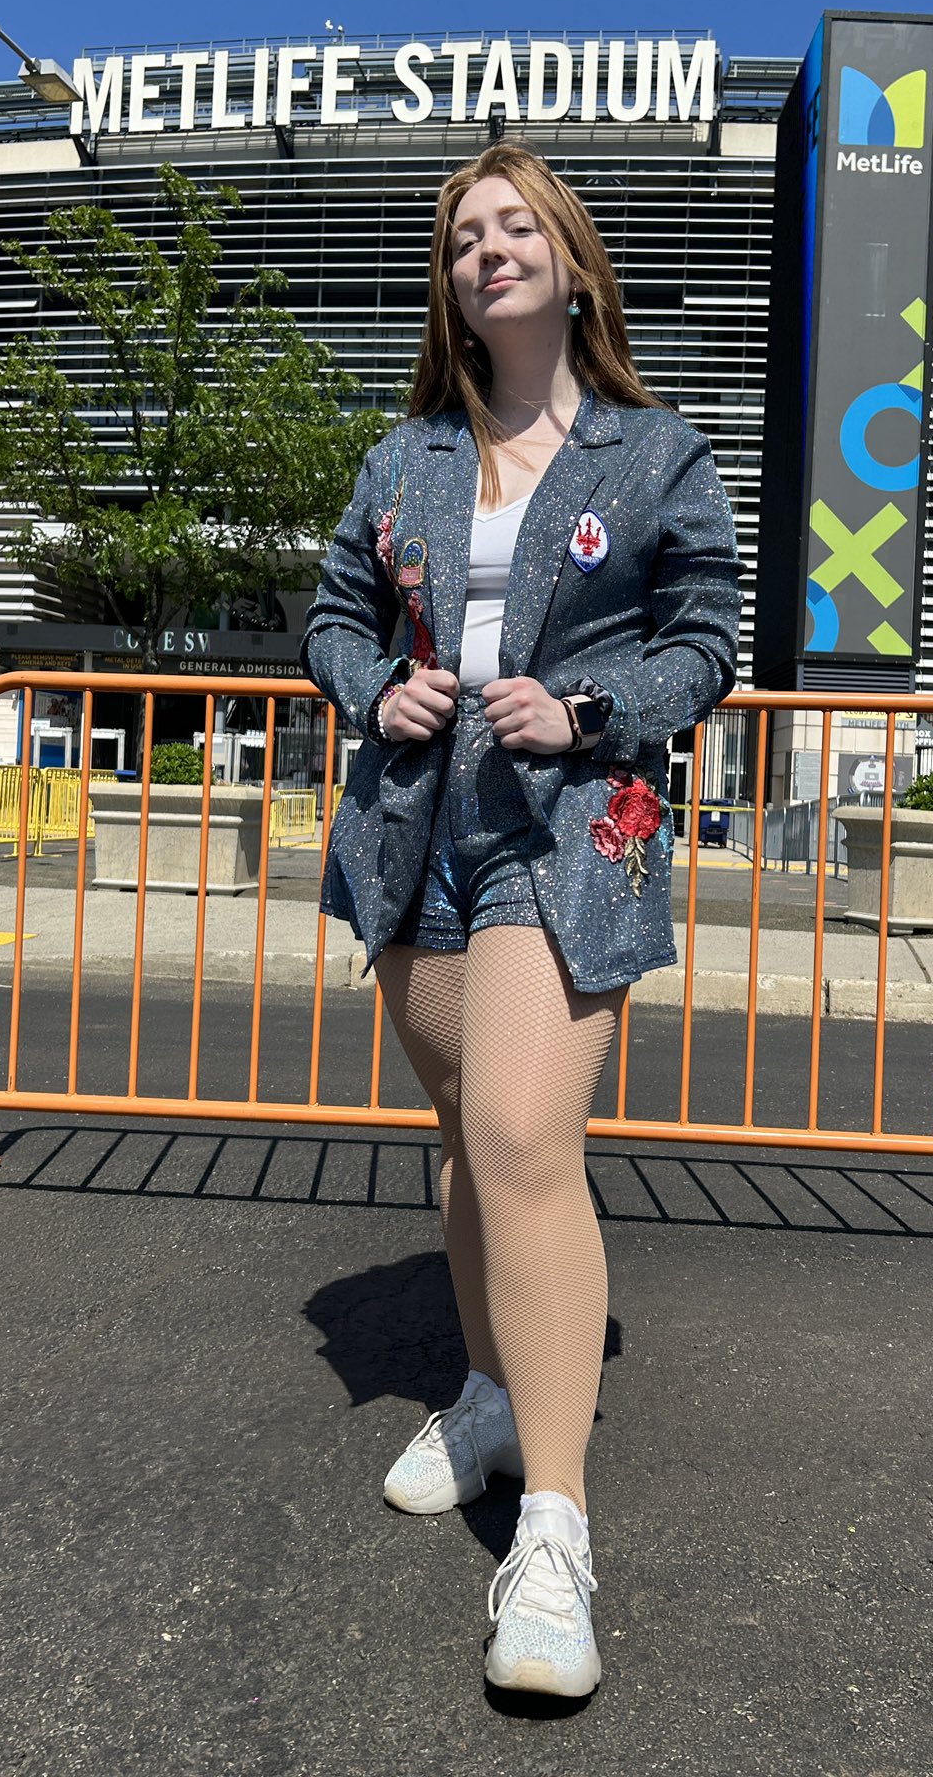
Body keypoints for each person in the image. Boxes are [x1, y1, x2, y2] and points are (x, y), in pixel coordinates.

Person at [302, 144, 740, 1699]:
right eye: (465, 234)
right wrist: (373, 680)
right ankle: (488, 1393)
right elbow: (336, 609)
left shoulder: (656, 454)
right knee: (456, 1118)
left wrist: (592, 703)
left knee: (515, 1135)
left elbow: (709, 640)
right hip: (415, 828)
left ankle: (551, 1530)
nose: (489, 249)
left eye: (516, 226)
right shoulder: (408, 453)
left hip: (564, 833)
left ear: (569, 259)